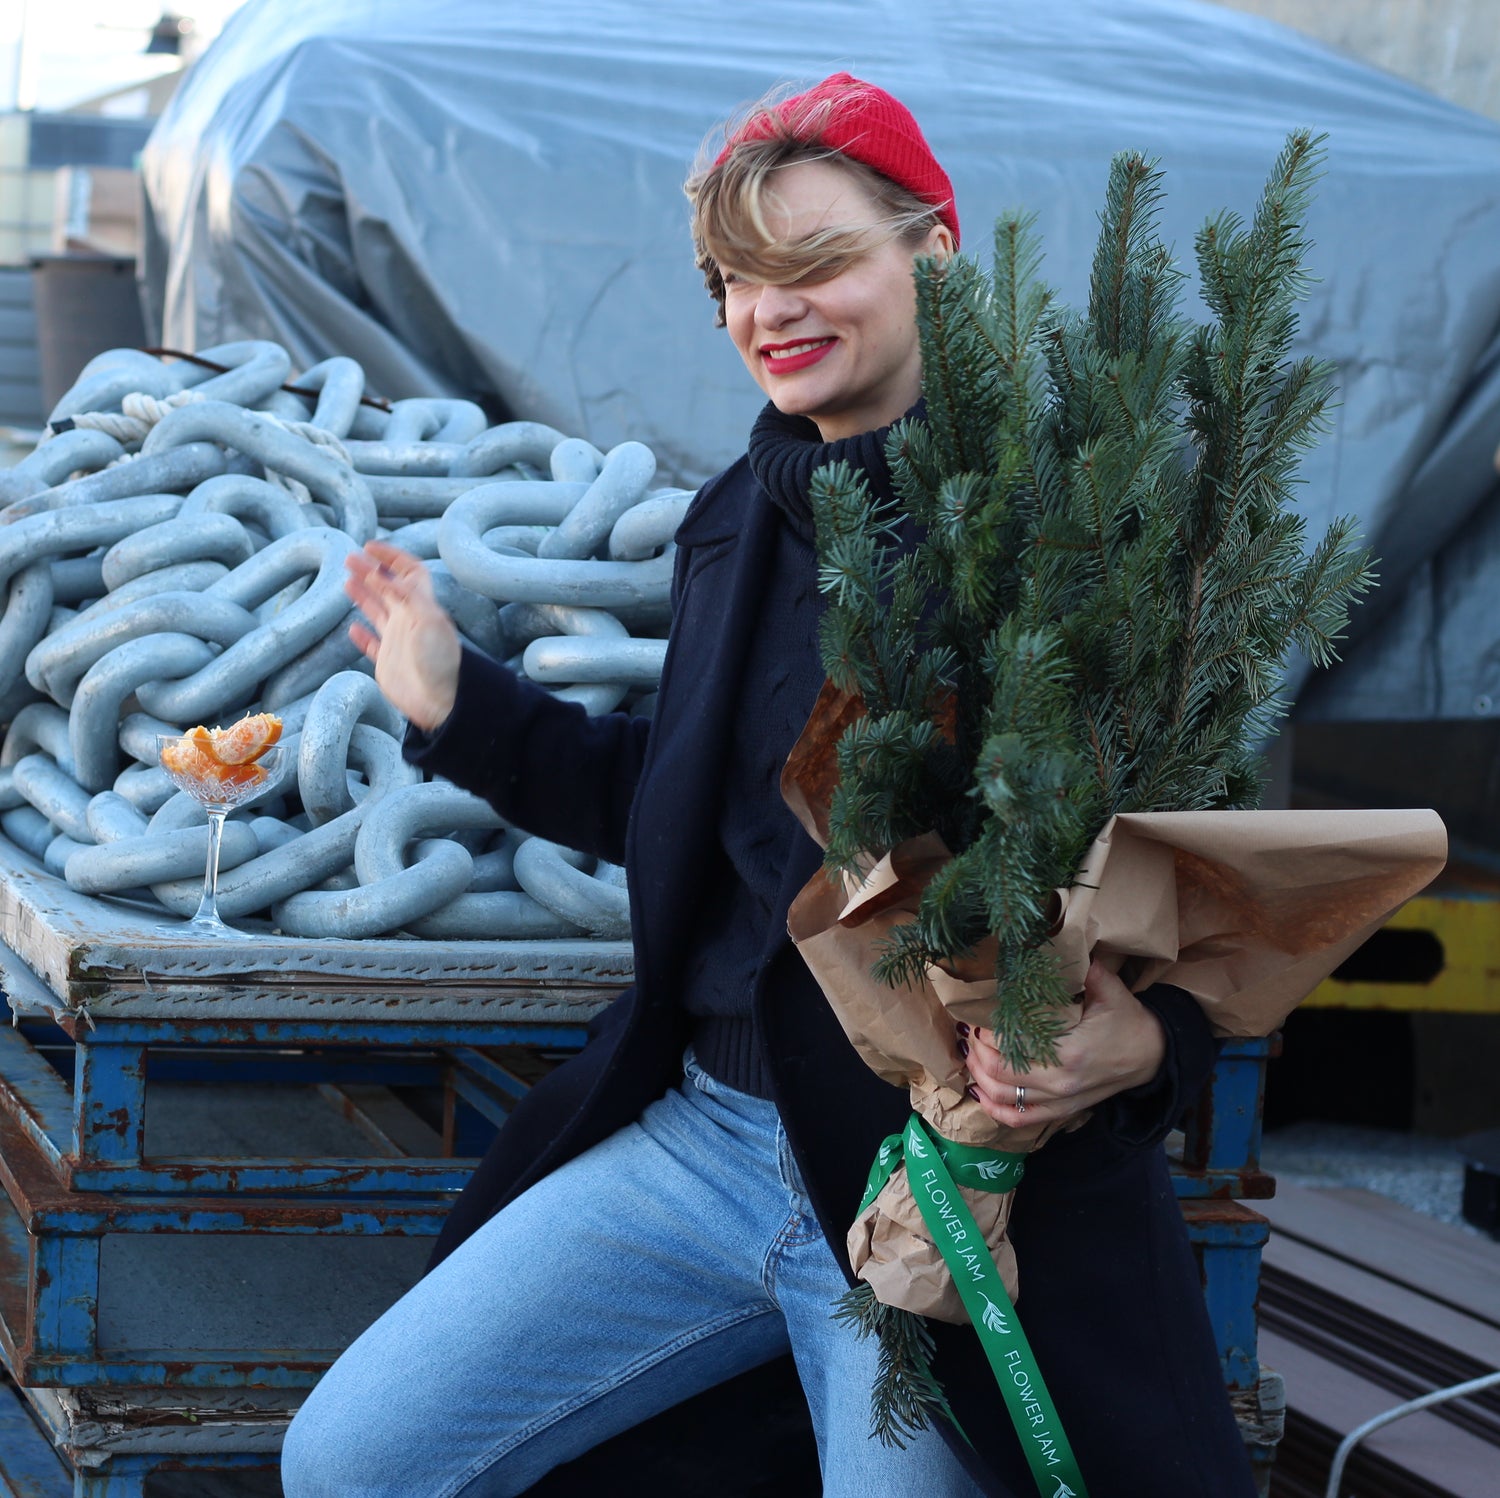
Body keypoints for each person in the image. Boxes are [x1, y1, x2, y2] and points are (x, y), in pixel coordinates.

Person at [280, 74, 1258, 1498]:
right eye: (735, 280)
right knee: (352, 1457)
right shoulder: (736, 521)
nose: (768, 311)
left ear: (934, 252)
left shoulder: (1064, 533)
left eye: (815, 261)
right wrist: (458, 704)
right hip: (703, 1142)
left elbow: (1216, 879)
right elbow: (691, 812)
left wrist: (1148, 1048)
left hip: (933, 1181)